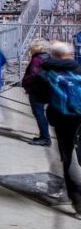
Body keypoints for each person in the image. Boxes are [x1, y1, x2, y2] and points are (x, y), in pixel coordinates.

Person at [30, 42, 81, 218]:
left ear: (52, 54)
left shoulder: (45, 71)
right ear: (71, 54)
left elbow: (38, 96)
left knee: (69, 158)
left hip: (62, 118)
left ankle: (79, 202)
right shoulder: (78, 68)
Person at [21, 39, 51, 146]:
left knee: (38, 113)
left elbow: (33, 74)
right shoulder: (46, 57)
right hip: (42, 89)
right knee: (40, 113)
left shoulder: (37, 59)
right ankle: (44, 135)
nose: (31, 48)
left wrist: (25, 82)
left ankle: (45, 138)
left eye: (32, 47)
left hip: (36, 90)